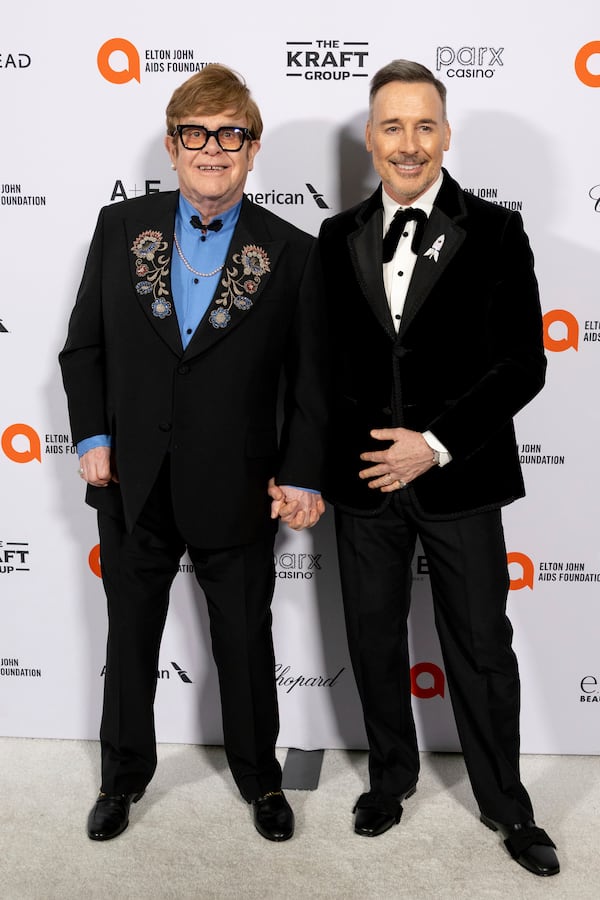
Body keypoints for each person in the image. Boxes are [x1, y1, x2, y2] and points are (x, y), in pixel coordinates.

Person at [59, 64, 327, 843]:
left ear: (252, 148)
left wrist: (303, 471)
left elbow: (311, 383)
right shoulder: (120, 230)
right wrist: (94, 438)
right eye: (197, 134)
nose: (214, 149)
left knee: (245, 643)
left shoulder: (293, 253)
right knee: (129, 639)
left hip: (239, 485)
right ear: (173, 147)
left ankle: (262, 783)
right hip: (131, 479)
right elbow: (85, 349)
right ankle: (122, 781)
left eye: (230, 134)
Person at [318, 59, 559, 877]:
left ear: (447, 135)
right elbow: (322, 367)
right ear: (369, 138)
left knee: (483, 647)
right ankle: (390, 781)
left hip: (461, 477)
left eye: (425, 125)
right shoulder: (334, 235)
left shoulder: (496, 231)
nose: (409, 143)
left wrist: (436, 442)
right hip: (364, 483)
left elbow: (524, 363)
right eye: (393, 126)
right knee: (373, 639)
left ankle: (507, 805)